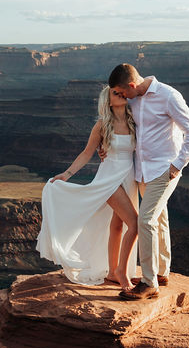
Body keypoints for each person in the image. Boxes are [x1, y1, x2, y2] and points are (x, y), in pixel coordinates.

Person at [109, 63, 189, 301]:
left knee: (145, 220)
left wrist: (177, 165)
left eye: (122, 93)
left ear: (131, 84)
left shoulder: (168, 96)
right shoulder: (134, 98)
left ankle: (149, 283)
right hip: (142, 170)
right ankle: (161, 273)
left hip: (163, 169)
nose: (122, 98)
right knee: (159, 219)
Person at [35, 86, 139, 291]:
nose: (120, 94)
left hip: (130, 177)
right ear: (107, 101)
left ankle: (112, 271)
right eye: (115, 93)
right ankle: (122, 273)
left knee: (118, 226)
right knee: (135, 224)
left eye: (122, 91)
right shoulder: (102, 125)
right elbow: (86, 153)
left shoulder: (134, 121)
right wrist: (67, 175)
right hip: (110, 179)